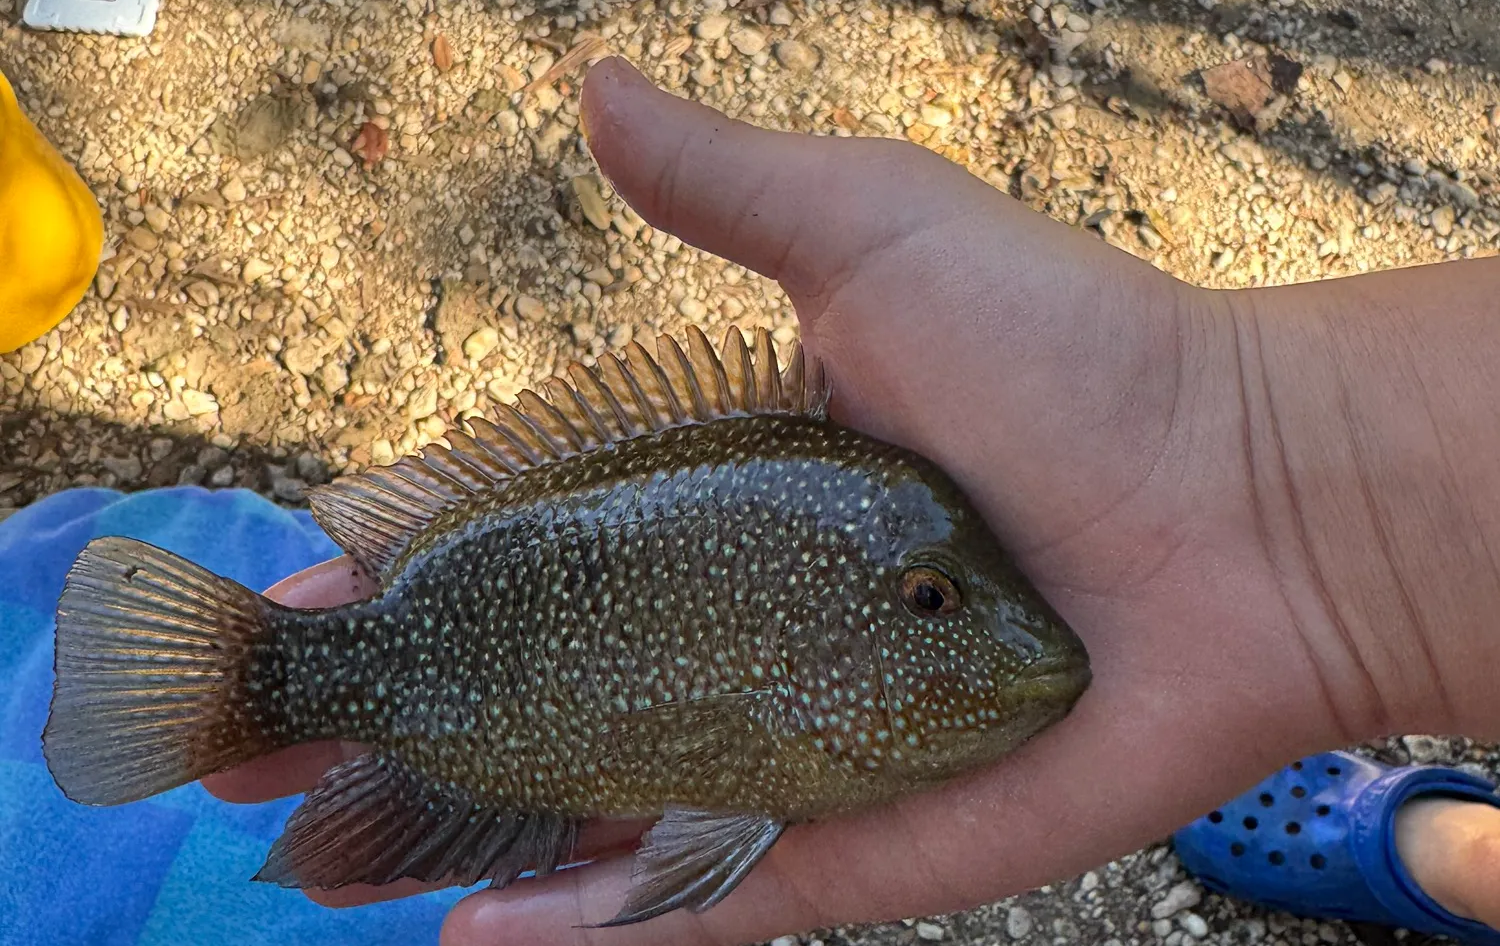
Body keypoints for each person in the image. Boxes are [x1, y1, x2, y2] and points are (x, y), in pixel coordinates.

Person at [14, 58, 1500, 944]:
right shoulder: (842, 584)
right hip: (429, 657)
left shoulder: (884, 587)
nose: (1002, 640)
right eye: (934, 603)